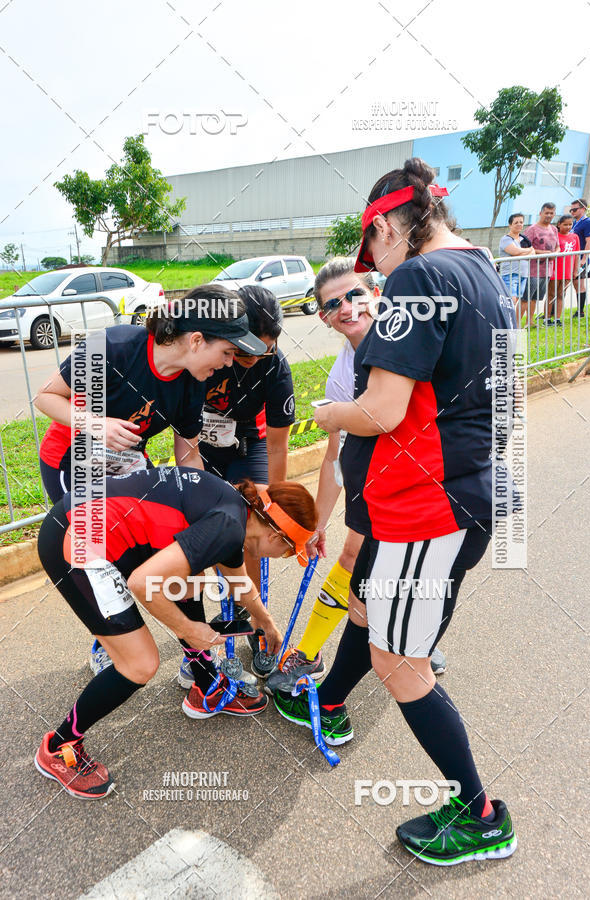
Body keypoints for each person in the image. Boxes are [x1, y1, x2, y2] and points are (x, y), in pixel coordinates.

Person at [275, 158, 517, 865]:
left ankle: (481, 814)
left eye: (370, 254)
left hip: (430, 505)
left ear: (385, 227)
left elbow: (380, 410)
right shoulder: (482, 269)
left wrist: (326, 414)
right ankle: (330, 697)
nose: (374, 272)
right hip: (466, 491)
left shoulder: (418, 276)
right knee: (376, 619)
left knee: (400, 662)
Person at [34, 466, 316, 799]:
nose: (282, 557)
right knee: (140, 664)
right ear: (274, 536)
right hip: (78, 538)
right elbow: (143, 584)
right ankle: (59, 745)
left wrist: (266, 622)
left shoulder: (237, 510)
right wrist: (189, 629)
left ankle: (206, 684)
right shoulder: (227, 527)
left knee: (189, 582)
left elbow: (239, 581)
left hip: (84, 520)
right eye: (287, 551)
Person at [34, 285, 265, 675]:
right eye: (227, 352)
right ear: (196, 340)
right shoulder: (115, 345)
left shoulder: (194, 380)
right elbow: (45, 397)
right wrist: (96, 425)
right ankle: (109, 638)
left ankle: (197, 664)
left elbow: (188, 455)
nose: (228, 364)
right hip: (72, 461)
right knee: (103, 558)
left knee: (170, 557)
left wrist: (204, 515)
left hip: (125, 462)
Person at [265, 258, 446, 696]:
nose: (348, 308)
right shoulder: (342, 375)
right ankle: (403, 643)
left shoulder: (409, 341)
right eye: (334, 304)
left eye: (355, 295)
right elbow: (333, 458)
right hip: (380, 485)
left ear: (376, 295)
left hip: (432, 483)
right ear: (325, 318)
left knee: (384, 566)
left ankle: (325, 655)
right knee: (360, 560)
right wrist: (315, 524)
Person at [178, 284, 296, 684]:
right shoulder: (210, 351)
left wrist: (274, 506)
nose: (253, 358)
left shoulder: (274, 365)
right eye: (244, 350)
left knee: (254, 531)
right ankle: (199, 638)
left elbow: (279, 448)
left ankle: (253, 619)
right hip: (199, 445)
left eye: (264, 350)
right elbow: (181, 429)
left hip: (247, 445)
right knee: (205, 533)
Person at [524, 203, 559, 322]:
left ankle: (530, 321)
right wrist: (543, 253)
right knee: (525, 298)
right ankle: (517, 324)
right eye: (546, 213)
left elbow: (558, 246)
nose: (549, 215)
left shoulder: (554, 229)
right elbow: (524, 248)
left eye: (551, 213)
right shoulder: (532, 229)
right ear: (540, 213)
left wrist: (555, 253)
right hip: (532, 270)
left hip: (547, 270)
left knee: (535, 298)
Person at [498, 213, 532, 323]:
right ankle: (505, 324)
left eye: (521, 222)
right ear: (510, 225)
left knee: (516, 300)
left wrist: (521, 253)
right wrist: (527, 251)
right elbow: (515, 252)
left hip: (523, 274)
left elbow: (534, 253)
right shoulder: (506, 239)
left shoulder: (523, 239)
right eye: (516, 222)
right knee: (510, 301)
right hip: (510, 274)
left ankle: (512, 325)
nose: (519, 224)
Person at [546, 215, 579, 325]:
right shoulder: (555, 237)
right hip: (555, 270)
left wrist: (575, 270)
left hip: (567, 271)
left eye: (570, 224)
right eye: (565, 224)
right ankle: (547, 318)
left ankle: (557, 318)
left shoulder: (575, 237)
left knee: (561, 294)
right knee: (551, 294)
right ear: (559, 224)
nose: (568, 227)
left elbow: (577, 255)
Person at [569, 198, 590, 317]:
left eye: (575, 209)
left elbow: (589, 242)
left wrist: (584, 259)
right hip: (570, 258)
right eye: (571, 210)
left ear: (583, 209)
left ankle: (580, 311)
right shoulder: (574, 222)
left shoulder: (588, 223)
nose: (572, 212)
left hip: (580, 259)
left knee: (579, 284)